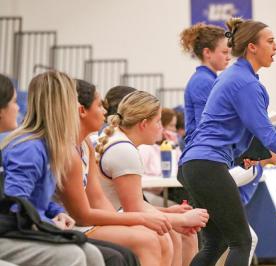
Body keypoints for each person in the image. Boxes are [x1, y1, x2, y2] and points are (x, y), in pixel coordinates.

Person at [178, 18, 276, 266]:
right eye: (271, 41)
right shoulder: (244, 82)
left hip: (196, 163)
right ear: (252, 46)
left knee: (216, 243)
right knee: (241, 241)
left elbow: (222, 127)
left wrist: (243, 154)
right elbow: (270, 137)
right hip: (207, 164)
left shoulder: (235, 76)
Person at [59, 79, 172, 266]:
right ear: (82, 111)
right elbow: (82, 215)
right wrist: (141, 219)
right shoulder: (70, 151)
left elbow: (98, 200)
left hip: (86, 221)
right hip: (70, 224)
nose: (105, 112)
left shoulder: (86, 144)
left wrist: (128, 222)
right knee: (149, 239)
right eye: (99, 105)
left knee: (154, 235)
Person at [0, 71, 105, 266]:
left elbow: (36, 198)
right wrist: (47, 224)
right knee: (72, 256)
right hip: (14, 229)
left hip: (29, 224)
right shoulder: (29, 148)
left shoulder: (49, 146)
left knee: (92, 254)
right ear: (61, 105)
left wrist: (56, 211)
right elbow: (15, 204)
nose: (78, 107)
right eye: (73, 101)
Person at [96, 90, 209, 266]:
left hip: (106, 216)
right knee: (167, 234)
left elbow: (130, 205)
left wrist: (167, 213)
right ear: (143, 124)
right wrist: (181, 219)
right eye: (158, 122)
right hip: (97, 222)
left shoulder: (116, 138)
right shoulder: (124, 150)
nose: (161, 129)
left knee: (177, 232)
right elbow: (133, 210)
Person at [180, 22, 231, 145]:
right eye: (224, 52)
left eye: (229, 52)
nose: (229, 57)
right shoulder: (203, 82)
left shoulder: (209, 79)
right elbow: (207, 128)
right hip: (203, 153)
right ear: (207, 53)